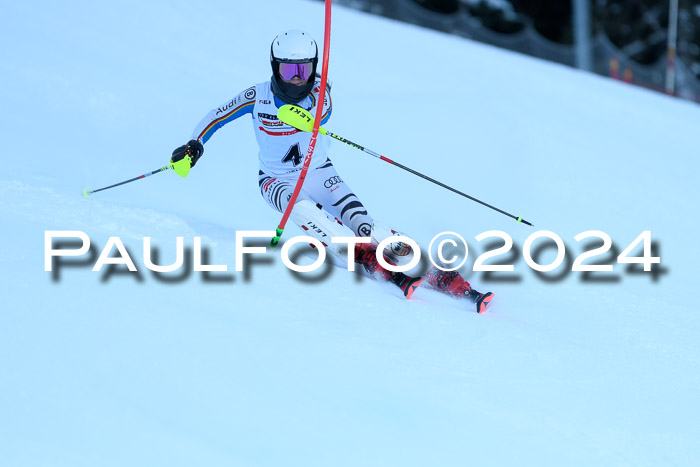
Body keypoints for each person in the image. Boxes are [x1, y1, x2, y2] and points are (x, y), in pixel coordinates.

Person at [170, 29, 493, 313]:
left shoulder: (319, 91)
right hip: (276, 180)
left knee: (365, 225)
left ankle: (438, 274)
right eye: (288, 69)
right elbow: (217, 115)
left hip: (320, 173)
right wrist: (194, 145)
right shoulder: (257, 96)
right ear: (274, 67)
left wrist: (308, 119)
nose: (297, 77)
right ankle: (367, 260)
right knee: (311, 215)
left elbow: (323, 111)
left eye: (303, 69)